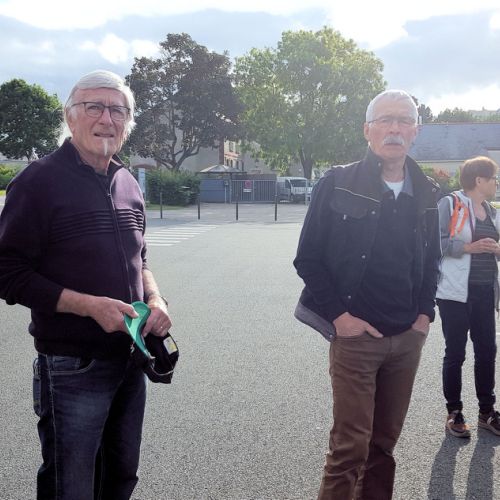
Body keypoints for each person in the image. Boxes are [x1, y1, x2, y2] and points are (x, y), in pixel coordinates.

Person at [0, 70, 172, 500]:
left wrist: (155, 298)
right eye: (93, 107)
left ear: (128, 122)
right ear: (70, 116)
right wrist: (89, 306)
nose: (106, 119)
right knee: (70, 485)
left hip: (130, 358)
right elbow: (7, 271)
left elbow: (140, 259)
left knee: (120, 477)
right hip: (72, 365)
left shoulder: (127, 182)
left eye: (117, 110)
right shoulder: (37, 182)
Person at [294, 89, 441, 500]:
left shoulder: (426, 191)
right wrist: (340, 318)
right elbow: (307, 258)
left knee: (383, 447)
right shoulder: (337, 183)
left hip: (406, 337)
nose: (394, 128)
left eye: (403, 121)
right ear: (367, 130)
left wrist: (424, 316)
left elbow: (432, 259)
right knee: (349, 449)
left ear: (415, 131)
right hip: (356, 338)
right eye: (384, 120)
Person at [436, 156, 500, 438]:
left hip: (485, 291)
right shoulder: (450, 204)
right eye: (494, 178)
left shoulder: (492, 212)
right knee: (456, 352)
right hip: (454, 293)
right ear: (479, 180)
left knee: (487, 351)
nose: (497, 183)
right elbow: (434, 242)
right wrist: (468, 247)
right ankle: (454, 412)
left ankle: (487, 412)